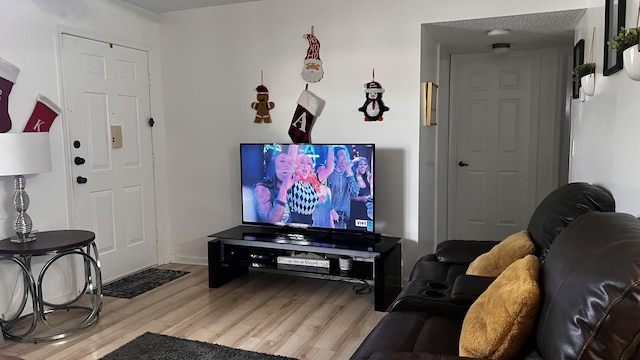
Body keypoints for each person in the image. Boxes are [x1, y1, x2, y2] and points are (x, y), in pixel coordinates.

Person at [320, 146, 359, 229]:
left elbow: (355, 192)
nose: (345, 158)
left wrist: (349, 172)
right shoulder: (329, 174)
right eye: (342, 155)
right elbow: (322, 194)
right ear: (334, 158)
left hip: (343, 219)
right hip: (329, 217)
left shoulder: (349, 175)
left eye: (346, 156)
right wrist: (331, 210)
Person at [253, 151, 295, 223]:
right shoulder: (261, 189)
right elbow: (271, 223)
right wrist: (284, 188)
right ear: (273, 166)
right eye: (282, 161)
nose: (287, 165)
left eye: (290, 163)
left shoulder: (287, 190)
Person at [287, 152, 321, 225]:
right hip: (293, 223)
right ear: (296, 165)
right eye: (302, 162)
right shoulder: (292, 179)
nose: (305, 166)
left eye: (308, 163)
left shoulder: (311, 185)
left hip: (309, 225)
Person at [349, 156, 373, 229]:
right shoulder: (351, 179)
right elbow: (346, 197)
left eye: (365, 164)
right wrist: (360, 199)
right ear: (355, 166)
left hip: (364, 211)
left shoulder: (366, 178)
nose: (363, 167)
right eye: (360, 164)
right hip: (353, 210)